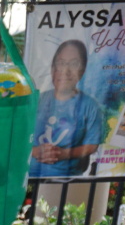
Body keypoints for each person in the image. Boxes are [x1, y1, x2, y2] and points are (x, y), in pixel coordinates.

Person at [30, 39, 104, 179]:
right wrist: (34, 151)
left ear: (82, 71)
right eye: (61, 63)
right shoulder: (36, 101)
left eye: (74, 64)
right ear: (52, 69)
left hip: (67, 181)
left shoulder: (90, 106)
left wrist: (64, 154)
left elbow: (92, 145)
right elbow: (16, 137)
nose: (66, 71)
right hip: (28, 180)